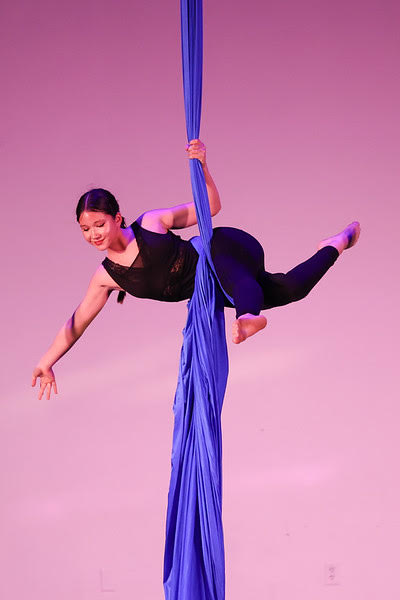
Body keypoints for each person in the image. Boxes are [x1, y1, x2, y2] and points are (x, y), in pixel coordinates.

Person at [31, 139, 360, 401]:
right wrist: (47, 362)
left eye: (99, 225)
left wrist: (203, 166)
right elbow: (76, 324)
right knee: (291, 289)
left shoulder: (151, 223)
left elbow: (211, 207)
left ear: (117, 218)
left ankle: (248, 317)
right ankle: (336, 243)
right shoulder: (106, 278)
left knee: (236, 279)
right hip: (215, 288)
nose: (94, 235)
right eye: (85, 229)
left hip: (224, 248)